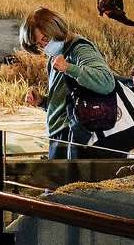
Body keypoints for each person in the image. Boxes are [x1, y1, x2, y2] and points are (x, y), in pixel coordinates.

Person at [19, 8, 117, 159]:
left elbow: (106, 81)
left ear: (56, 28)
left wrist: (69, 68)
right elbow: (66, 99)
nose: (44, 47)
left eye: (45, 39)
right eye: (38, 44)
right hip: (59, 134)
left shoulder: (79, 49)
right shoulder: (57, 55)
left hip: (72, 135)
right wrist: (43, 102)